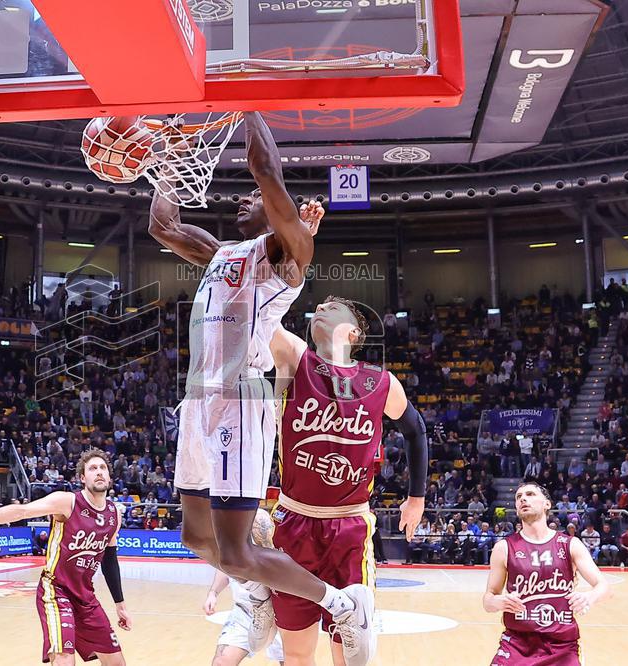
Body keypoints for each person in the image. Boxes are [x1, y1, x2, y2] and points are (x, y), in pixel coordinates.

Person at [149, 111, 373, 664]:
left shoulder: (285, 258)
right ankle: (260, 595)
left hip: (239, 404)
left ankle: (341, 605)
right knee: (196, 540)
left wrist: (246, 105)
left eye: (252, 198)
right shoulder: (223, 253)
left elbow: (267, 170)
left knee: (238, 550)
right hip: (198, 400)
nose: (242, 200)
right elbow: (164, 227)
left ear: (281, 213)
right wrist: (160, 162)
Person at [267, 296, 428, 664]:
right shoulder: (295, 356)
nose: (321, 307)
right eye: (318, 307)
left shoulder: (381, 382)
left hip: (350, 527)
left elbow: (417, 431)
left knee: (352, 654)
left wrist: (416, 497)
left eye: (333, 307)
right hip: (294, 522)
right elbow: (259, 315)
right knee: (296, 653)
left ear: (354, 333)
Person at [0, 449, 132, 665]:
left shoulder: (114, 514)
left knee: (118, 662)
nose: (98, 472)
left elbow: (109, 560)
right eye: (92, 468)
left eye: (102, 468)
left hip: (86, 596)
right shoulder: (67, 502)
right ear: (82, 478)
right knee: (63, 659)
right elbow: (23, 511)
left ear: (109, 477)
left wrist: (120, 604)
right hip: (56, 590)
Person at [483, 482, 611, 665]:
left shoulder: (570, 544)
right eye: (518, 497)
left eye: (530, 494)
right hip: (517, 644)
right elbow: (488, 600)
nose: (523, 499)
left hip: (561, 647)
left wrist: (589, 597)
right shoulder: (503, 548)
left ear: (547, 504)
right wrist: (496, 601)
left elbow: (605, 587)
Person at [203, 510, 284, 666]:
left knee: (291, 662)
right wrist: (213, 593)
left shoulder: (259, 519)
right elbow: (225, 566)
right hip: (245, 611)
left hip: (278, 611)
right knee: (221, 661)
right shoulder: (226, 526)